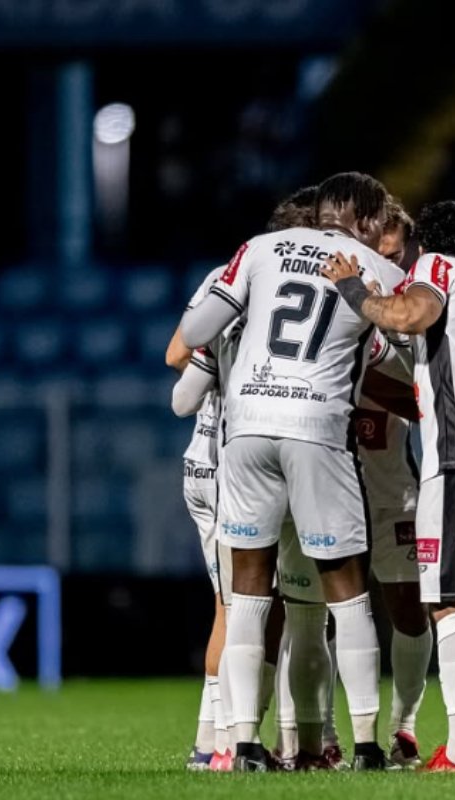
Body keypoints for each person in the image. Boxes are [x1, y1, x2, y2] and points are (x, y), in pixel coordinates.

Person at [180, 172, 404, 772]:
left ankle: (244, 744)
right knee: (347, 598)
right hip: (317, 428)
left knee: (247, 597)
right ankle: (364, 746)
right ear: (372, 220)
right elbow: (406, 348)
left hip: (246, 425)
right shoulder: (376, 269)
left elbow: (195, 334)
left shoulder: (258, 248)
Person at [321, 200, 455, 772]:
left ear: (426, 245)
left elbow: (409, 316)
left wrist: (353, 291)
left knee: (450, 603)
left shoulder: (437, 269)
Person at [168, 186, 337, 772]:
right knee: (237, 605)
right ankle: (211, 741)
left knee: (273, 605)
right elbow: (179, 367)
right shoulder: (261, 277)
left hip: (239, 457)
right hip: (225, 461)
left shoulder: (239, 275)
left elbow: (178, 369)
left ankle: (282, 737)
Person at [359, 198, 433, 768]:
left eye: (396, 252)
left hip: (390, 482)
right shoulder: (337, 297)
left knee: (408, 606)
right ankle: (308, 737)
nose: (389, 261)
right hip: (325, 468)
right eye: (379, 251)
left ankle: (404, 727)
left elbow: (421, 399)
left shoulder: (413, 307)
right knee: (310, 609)